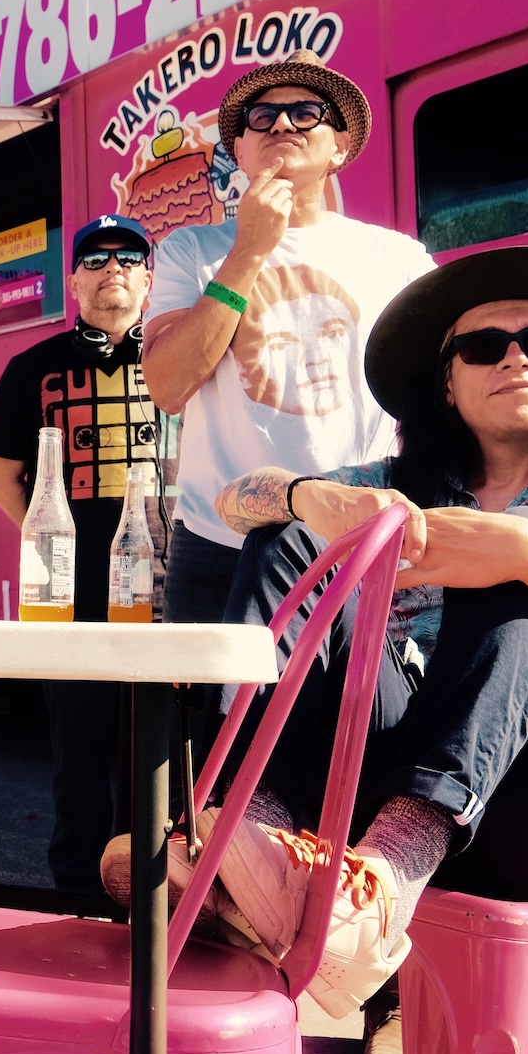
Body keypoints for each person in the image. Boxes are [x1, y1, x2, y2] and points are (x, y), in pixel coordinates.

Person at [189, 245, 528, 1054]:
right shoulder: (401, 485)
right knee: (291, 538)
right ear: (447, 383)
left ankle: (381, 870)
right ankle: (249, 831)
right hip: (412, 769)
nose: (516, 356)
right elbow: (236, 499)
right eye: (483, 347)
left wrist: (522, 548)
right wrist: (303, 495)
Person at [142, 49, 435, 625]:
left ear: (340, 147)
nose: (281, 123)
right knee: (218, 718)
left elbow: (439, 398)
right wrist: (249, 249)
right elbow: (168, 385)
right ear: (240, 150)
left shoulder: (399, 260)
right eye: (261, 116)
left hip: (355, 535)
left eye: (307, 112)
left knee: (358, 716)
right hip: (218, 545)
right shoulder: (191, 251)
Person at [0, 214, 165, 893]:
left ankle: (157, 895)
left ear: (149, 278)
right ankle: (80, 898)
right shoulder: (32, 369)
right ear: (74, 280)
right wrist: (50, 541)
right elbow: (3, 476)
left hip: (166, 589)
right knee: (80, 754)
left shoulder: (179, 357)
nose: (111, 267)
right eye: (94, 258)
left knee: (161, 752)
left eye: (127, 257)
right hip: (72, 592)